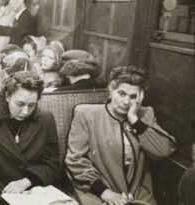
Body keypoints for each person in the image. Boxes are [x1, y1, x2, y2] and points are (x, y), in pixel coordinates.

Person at [65, 66, 177, 205]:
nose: (126, 102)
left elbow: (163, 151)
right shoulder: (87, 114)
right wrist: (104, 192)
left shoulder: (144, 114)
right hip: (97, 191)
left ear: (140, 97)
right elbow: (75, 160)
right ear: (110, 90)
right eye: (121, 93)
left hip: (136, 193)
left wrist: (134, 120)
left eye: (133, 96)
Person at [0, 71, 61, 205]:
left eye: (32, 105)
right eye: (20, 104)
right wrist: (9, 198)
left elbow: (52, 165)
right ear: (7, 96)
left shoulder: (46, 120)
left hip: (36, 193)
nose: (25, 112)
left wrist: (27, 181)